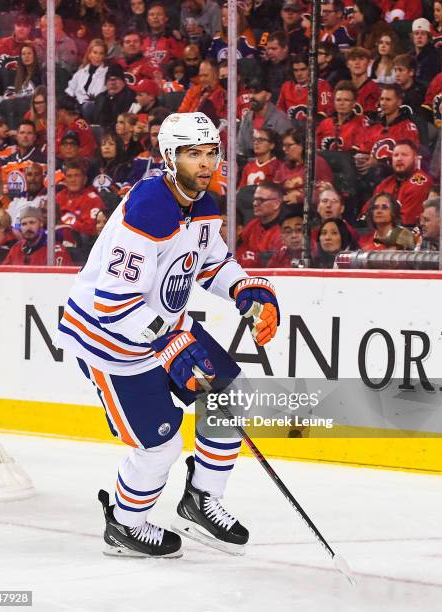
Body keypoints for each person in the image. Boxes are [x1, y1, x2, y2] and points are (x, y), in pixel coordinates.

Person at [55, 111, 280, 558]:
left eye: (211, 152)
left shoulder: (203, 203)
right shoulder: (148, 209)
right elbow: (114, 306)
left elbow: (210, 263)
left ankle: (201, 499)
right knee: (160, 445)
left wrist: (249, 291)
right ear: (168, 156)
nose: (205, 163)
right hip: (112, 343)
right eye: (192, 153)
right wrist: (168, 342)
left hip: (162, 327)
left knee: (230, 396)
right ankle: (124, 525)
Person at [361, 140, 433, 227]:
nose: (399, 158)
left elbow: (407, 222)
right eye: (396, 155)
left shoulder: (420, 182)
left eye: (404, 155)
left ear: (415, 159)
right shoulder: (386, 183)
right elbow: (365, 213)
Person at [236, 77, 291, 160]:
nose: (251, 96)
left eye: (256, 92)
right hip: (248, 168)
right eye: (250, 92)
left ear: (268, 96)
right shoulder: (247, 118)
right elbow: (240, 149)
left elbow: (285, 155)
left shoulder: (281, 120)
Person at [4, 206, 73, 265]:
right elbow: (4, 273)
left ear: (41, 224)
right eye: (24, 224)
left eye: (32, 222)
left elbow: (61, 278)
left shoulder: (54, 250)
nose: (28, 227)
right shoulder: (16, 248)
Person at [237, 181, 284, 267]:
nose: (254, 204)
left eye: (261, 200)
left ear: (276, 204)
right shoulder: (251, 225)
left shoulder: (284, 230)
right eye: (254, 199)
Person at [276, 53, 334, 122]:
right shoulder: (286, 86)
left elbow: (326, 111)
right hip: (291, 129)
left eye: (303, 69)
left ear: (311, 69)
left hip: (315, 128)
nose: (299, 74)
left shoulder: (322, 85)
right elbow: (279, 112)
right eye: (296, 70)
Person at [56, 160, 106, 238]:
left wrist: (68, 225)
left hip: (82, 244)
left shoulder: (93, 200)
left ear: (85, 179)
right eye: (69, 176)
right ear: (65, 180)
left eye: (77, 175)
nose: (73, 180)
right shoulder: (59, 197)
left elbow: (92, 229)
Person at [0, 119, 46, 198]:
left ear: (34, 137)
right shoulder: (7, 162)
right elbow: (4, 190)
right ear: (16, 136)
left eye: (29, 133)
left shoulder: (43, 161)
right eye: (22, 133)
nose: (25, 136)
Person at [316, 81, 366, 152]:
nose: (342, 103)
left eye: (346, 100)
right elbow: (315, 149)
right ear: (334, 102)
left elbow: (357, 154)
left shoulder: (361, 123)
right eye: (338, 100)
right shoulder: (325, 124)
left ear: (354, 103)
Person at [177, 58, 226, 125]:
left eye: (205, 76)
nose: (202, 79)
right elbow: (181, 113)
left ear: (216, 75)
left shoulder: (222, 93)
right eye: (200, 76)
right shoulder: (193, 91)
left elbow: (218, 118)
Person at [65, 39, 108, 109]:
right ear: (89, 54)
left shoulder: (107, 73)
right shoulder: (80, 73)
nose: (98, 56)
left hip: (95, 109)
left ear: (104, 56)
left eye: (101, 53)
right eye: (95, 53)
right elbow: (70, 91)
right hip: (76, 108)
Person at [92, 64, 136, 130]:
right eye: (110, 80)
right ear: (105, 83)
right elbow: (97, 121)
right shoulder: (101, 97)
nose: (113, 83)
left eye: (116, 79)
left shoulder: (131, 96)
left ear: (124, 82)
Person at [7, 163, 47, 228]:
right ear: (25, 177)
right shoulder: (17, 199)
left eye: (37, 174)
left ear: (43, 177)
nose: (33, 178)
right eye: (29, 175)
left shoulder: (49, 197)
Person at [345, 46, 381, 116]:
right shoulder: (344, 87)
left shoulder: (373, 89)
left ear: (369, 62)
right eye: (353, 59)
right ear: (347, 64)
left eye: (361, 59)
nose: (357, 63)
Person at [260, 31, 292, 104]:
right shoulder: (265, 67)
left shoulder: (295, 66)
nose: (270, 52)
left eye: (274, 49)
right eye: (268, 49)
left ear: (285, 48)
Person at [411, 18, 442, 87]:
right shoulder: (409, 56)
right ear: (412, 37)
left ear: (428, 37)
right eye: (416, 34)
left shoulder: (434, 57)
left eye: (423, 34)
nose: (419, 37)